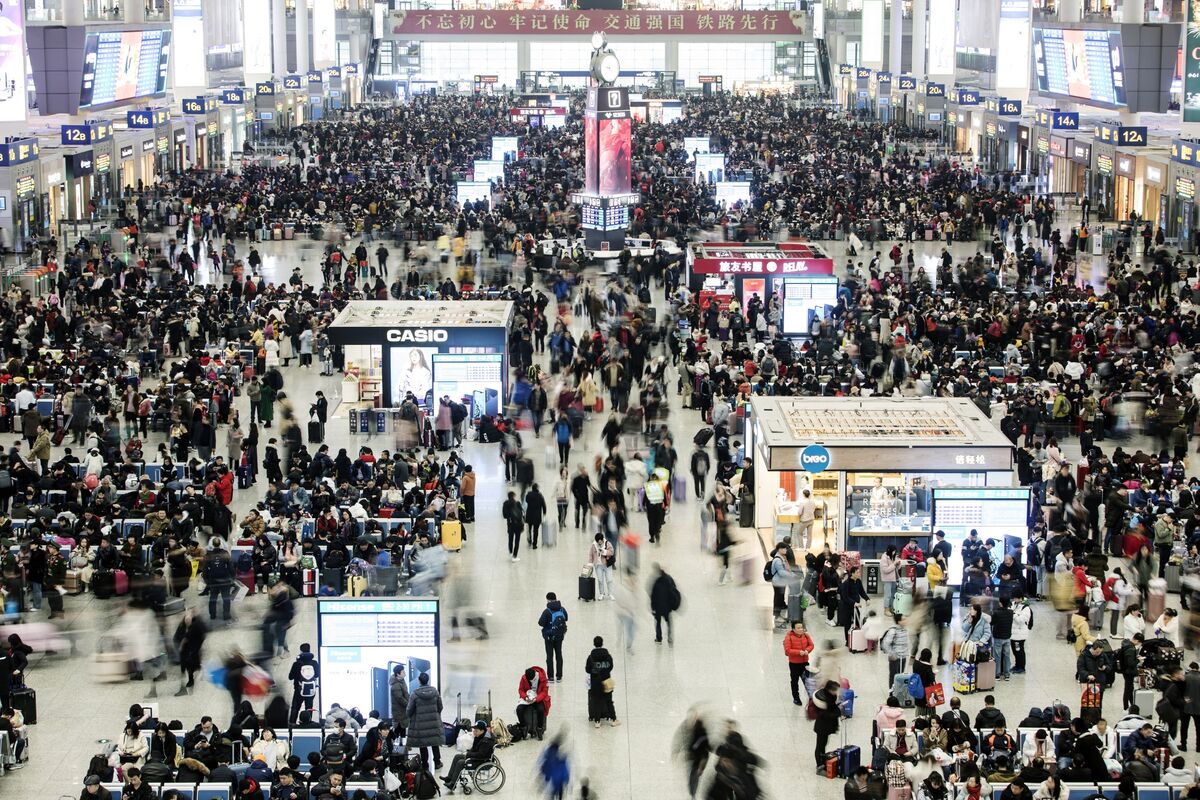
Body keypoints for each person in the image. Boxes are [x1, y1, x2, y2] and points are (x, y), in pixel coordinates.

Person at [441, 720, 495, 794]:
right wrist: (469, 753)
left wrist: (469, 755)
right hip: (477, 758)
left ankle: (452, 784)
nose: (474, 732)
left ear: (482, 730)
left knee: (460, 763)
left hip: (482, 761)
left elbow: (481, 755)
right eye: (474, 730)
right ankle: (449, 778)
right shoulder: (479, 736)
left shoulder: (486, 741)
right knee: (457, 756)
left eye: (476, 730)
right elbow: (474, 749)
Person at [406, 671, 444, 771]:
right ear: (428, 680)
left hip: (420, 723)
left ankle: (425, 764)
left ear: (419, 681)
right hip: (434, 722)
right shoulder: (435, 691)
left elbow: (409, 709)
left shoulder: (415, 694)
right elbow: (440, 706)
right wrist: (435, 714)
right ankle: (437, 762)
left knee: (422, 744)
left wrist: (411, 716)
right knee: (434, 742)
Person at [673, 709, 710, 799]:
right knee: (690, 774)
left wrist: (702, 766)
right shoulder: (685, 725)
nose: (691, 720)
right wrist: (676, 751)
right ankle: (691, 791)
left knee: (694, 777)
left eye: (693, 717)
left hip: (697, 760)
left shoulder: (702, 732)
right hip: (690, 756)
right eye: (690, 717)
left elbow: (706, 751)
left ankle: (693, 794)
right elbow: (679, 737)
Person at [585, 635, 619, 728]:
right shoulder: (608, 656)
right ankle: (613, 719)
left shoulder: (591, 657)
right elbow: (611, 667)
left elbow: (587, 669)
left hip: (595, 682)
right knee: (609, 701)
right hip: (606, 680)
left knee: (596, 701)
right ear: (602, 643)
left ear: (594, 644)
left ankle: (597, 721)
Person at [813, 678, 842, 773]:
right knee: (820, 745)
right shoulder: (823, 700)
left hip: (826, 726)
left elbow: (832, 707)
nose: (836, 692)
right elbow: (825, 714)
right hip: (822, 727)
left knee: (823, 744)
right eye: (835, 690)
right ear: (830, 690)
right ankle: (819, 765)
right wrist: (838, 712)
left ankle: (822, 761)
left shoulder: (830, 697)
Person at [537, 592, 568, 681]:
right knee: (559, 655)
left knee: (549, 656)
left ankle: (550, 677)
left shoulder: (547, 611)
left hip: (549, 637)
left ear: (548, 600)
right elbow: (566, 618)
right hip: (559, 636)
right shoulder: (562, 609)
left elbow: (540, 623)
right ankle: (559, 676)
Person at [649, 564, 681, 645]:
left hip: (658, 608)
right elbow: (674, 590)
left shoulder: (656, 581)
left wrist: (652, 607)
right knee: (669, 622)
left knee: (658, 623)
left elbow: (652, 596)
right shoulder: (669, 579)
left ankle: (659, 639)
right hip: (667, 607)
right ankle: (670, 638)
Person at [287, 643, 319, 726]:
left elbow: (290, 677)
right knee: (309, 708)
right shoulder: (314, 663)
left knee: (295, 707)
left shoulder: (297, 664)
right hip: (311, 690)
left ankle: (292, 724)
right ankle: (308, 725)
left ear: (301, 651)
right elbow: (317, 675)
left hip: (299, 689)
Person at [784, 621, 815, 706]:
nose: (801, 629)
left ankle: (811, 698)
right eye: (798, 628)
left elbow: (811, 645)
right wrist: (798, 652)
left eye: (801, 627)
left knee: (808, 681)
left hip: (805, 663)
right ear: (793, 629)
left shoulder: (806, 635)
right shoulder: (788, 637)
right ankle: (796, 698)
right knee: (794, 681)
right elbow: (787, 651)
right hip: (794, 664)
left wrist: (806, 651)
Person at [516, 665, 551, 740]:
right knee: (519, 709)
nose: (531, 682)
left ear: (535, 675)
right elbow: (521, 690)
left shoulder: (543, 678)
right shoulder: (524, 678)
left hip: (538, 698)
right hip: (527, 698)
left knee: (541, 709)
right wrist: (525, 697)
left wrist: (536, 699)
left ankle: (539, 728)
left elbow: (544, 692)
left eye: (532, 680)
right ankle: (524, 727)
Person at [538, 734, 571, 800]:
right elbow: (565, 772)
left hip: (555, 782)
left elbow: (546, 769)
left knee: (553, 794)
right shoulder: (561, 760)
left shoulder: (550, 758)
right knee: (559, 794)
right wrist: (566, 780)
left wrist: (543, 782)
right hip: (559, 782)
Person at [389, 664, 409, 738]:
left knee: (402, 729)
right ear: (398, 674)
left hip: (402, 711)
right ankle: (396, 746)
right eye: (403, 672)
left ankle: (403, 747)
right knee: (398, 730)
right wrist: (409, 704)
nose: (405, 673)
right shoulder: (395, 685)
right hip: (399, 712)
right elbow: (400, 698)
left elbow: (405, 694)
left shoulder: (401, 681)